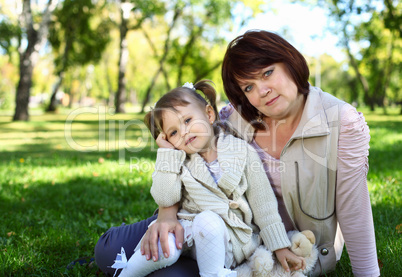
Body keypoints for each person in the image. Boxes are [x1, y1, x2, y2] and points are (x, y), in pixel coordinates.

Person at [95, 30, 380, 277]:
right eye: (248, 86)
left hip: (247, 243)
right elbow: (189, 146)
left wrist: (366, 273)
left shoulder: (341, 121)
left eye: (268, 72)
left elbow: (354, 208)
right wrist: (167, 216)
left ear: (290, 63)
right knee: (107, 251)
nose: (263, 91)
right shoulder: (235, 118)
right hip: (194, 218)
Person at [106, 80, 305, 277]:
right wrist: (167, 155)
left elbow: (265, 207)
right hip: (187, 234)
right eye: (173, 132)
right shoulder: (179, 160)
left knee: (208, 220)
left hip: (228, 241)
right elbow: (165, 198)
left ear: (209, 114)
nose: (183, 132)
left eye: (187, 121)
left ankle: (214, 273)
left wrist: (279, 247)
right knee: (165, 243)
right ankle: (128, 273)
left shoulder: (242, 152)